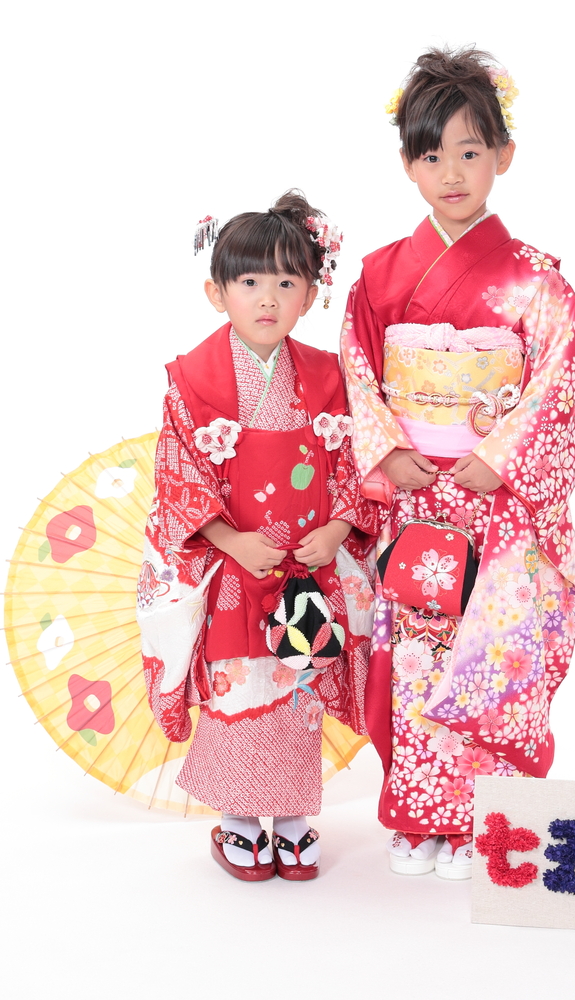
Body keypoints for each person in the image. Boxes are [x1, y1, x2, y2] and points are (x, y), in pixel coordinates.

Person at [341, 47, 575, 879]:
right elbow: (357, 372)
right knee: (414, 651)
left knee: (488, 654)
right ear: (406, 164)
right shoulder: (377, 277)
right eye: (430, 154)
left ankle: (480, 817)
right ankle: (418, 817)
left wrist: (498, 456)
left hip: (497, 502)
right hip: (413, 495)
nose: (451, 173)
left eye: (470, 151)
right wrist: (388, 450)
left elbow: (552, 383)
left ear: (503, 156)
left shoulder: (537, 281)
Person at [137, 191, 380, 882]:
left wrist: (338, 527)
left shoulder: (330, 377)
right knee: (239, 685)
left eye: (286, 281)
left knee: (297, 682)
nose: (267, 297)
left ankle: (295, 818)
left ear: (311, 295)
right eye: (248, 281)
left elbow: (355, 463)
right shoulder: (192, 380)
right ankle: (239, 818)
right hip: (234, 566)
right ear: (216, 292)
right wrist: (228, 538)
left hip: (307, 566)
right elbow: (179, 474)